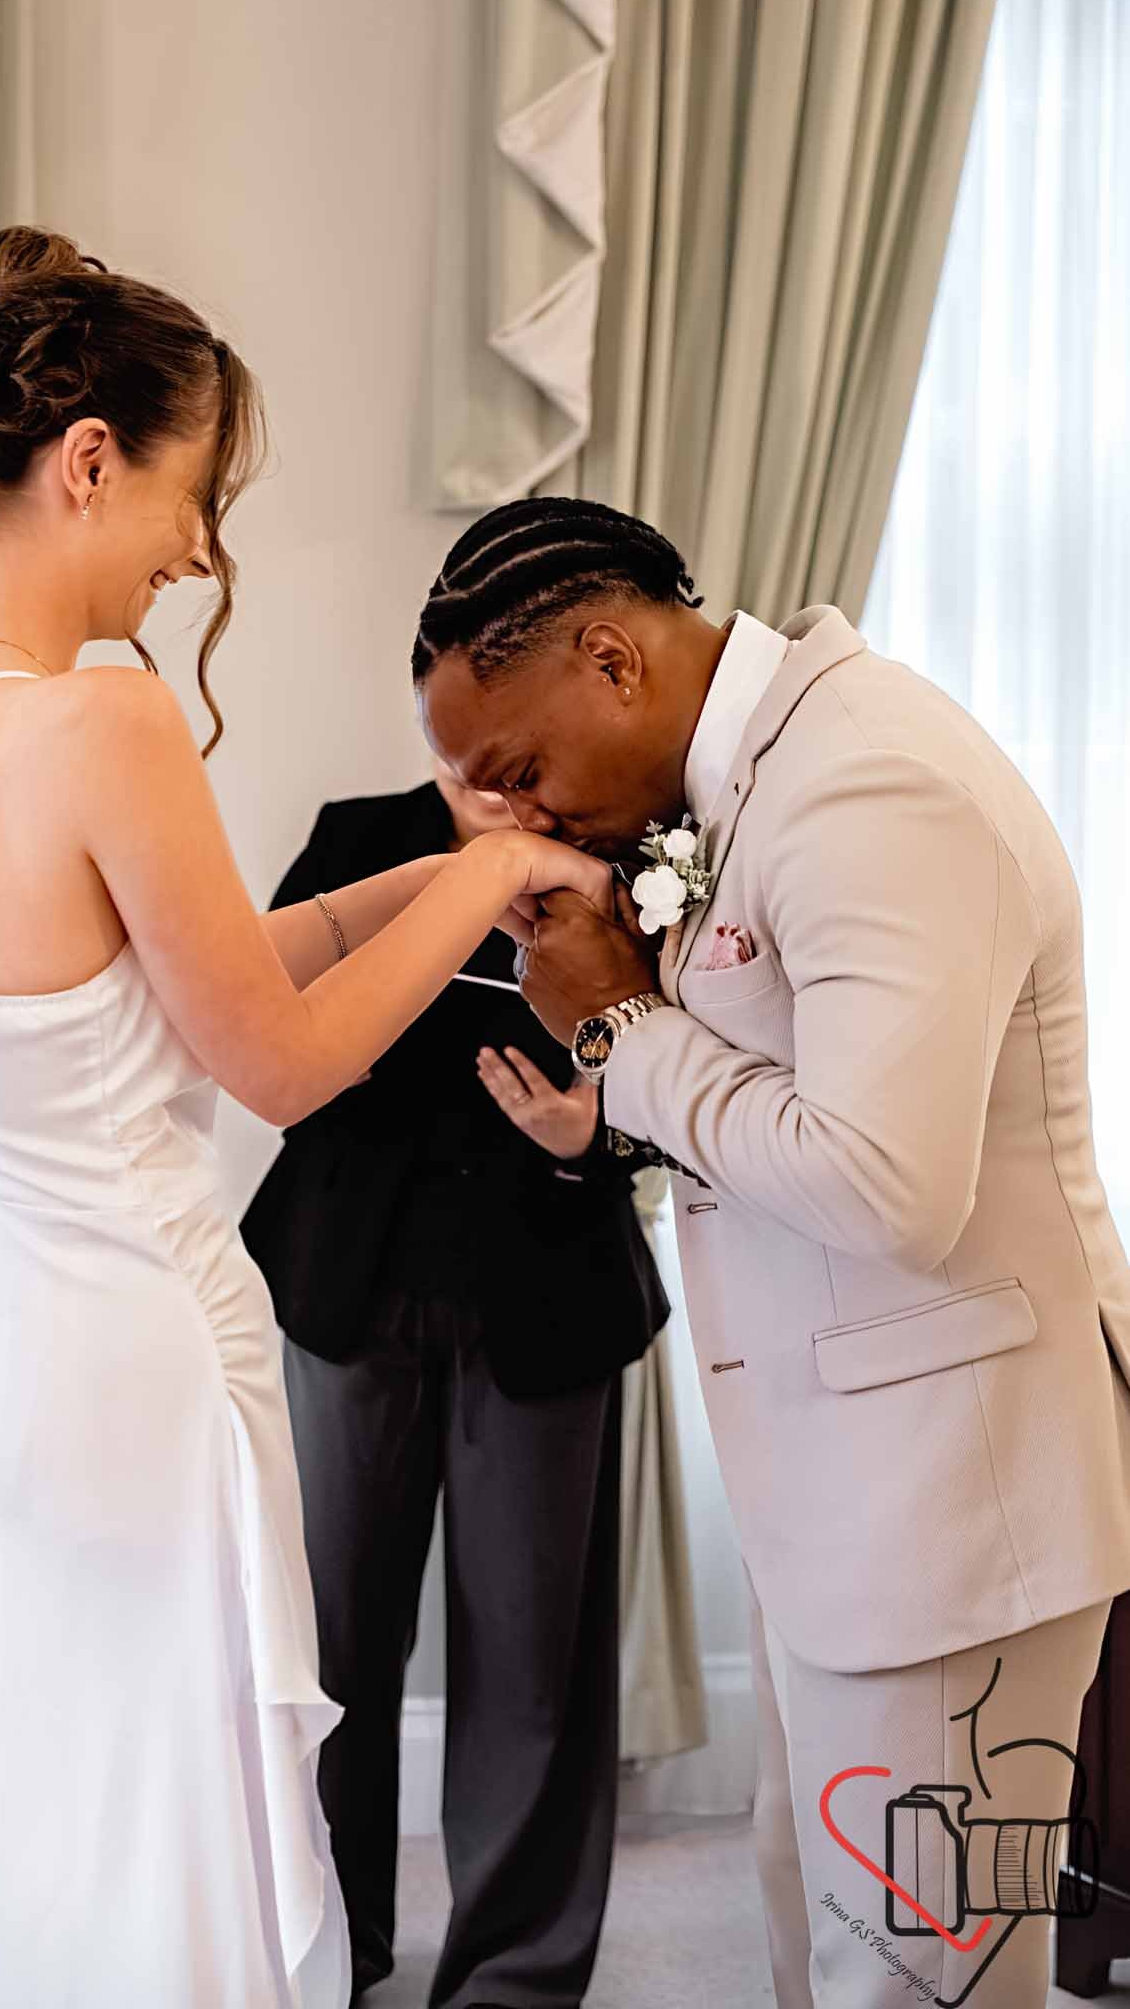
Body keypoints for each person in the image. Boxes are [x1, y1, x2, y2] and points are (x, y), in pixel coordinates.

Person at [0, 233, 613, 2009]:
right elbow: (278, 1064)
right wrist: (497, 880)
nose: (199, 549)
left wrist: (422, 874)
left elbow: (189, 980)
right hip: (125, 1370)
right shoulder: (103, 717)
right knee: (143, 1825)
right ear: (88, 459)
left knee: (23, 1802)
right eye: (193, 494)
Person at [413, 495, 1130, 2009]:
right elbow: (782, 1102)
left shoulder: (869, 780)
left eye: (519, 771)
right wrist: (616, 1076)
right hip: (848, 1501)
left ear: (613, 658)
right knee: (825, 1943)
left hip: (951, 1509)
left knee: (917, 1977)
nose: (519, 818)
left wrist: (623, 1026)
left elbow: (885, 1183)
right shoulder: (758, 777)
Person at [243, 761, 667, 2009]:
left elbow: (692, 1064)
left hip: (551, 1297)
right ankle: (333, 1943)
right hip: (348, 1288)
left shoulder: (624, 856)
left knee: (534, 1658)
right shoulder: (358, 839)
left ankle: (514, 1977)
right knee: (330, 1647)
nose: (485, 769)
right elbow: (264, 1028)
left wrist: (595, 1133)